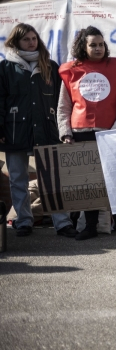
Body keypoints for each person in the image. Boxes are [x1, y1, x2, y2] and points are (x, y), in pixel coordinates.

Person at [57, 26, 116, 241]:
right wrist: (66, 132)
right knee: (88, 183)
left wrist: (113, 133)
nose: (98, 48)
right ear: (83, 46)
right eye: (93, 44)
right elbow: (64, 107)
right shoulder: (71, 71)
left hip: (109, 134)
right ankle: (90, 227)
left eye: (101, 44)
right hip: (80, 133)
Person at [0, 23, 78, 238]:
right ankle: (24, 220)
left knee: (52, 179)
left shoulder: (50, 65)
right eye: (26, 39)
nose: (31, 42)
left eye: (34, 38)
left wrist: (63, 127)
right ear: (16, 42)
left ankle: (62, 222)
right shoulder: (6, 67)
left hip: (46, 129)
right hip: (15, 130)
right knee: (18, 179)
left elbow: (61, 101)